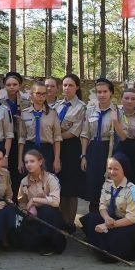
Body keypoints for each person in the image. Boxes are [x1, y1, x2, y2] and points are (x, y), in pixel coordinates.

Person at [9, 149, 66, 256]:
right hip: (32, 217)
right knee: (21, 241)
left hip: (50, 218)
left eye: (32, 161)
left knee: (46, 210)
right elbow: (21, 203)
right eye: (26, 162)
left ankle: (52, 245)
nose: (29, 165)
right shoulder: (24, 182)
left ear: (40, 162)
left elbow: (55, 202)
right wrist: (25, 211)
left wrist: (35, 200)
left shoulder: (51, 179)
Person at [54, 73, 86, 230]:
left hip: (71, 148)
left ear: (77, 87)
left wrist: (54, 136)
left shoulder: (81, 107)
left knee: (71, 187)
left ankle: (70, 222)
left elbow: (74, 132)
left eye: (70, 85)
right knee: (58, 185)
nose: (66, 88)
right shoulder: (56, 106)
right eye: (65, 85)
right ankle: (60, 220)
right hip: (56, 148)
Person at [80, 78, 115, 213]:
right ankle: (92, 223)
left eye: (105, 91)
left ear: (111, 92)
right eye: (98, 92)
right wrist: (83, 155)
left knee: (108, 187)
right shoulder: (90, 111)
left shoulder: (117, 111)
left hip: (109, 150)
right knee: (93, 189)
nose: (101, 95)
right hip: (93, 150)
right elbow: (85, 134)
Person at [18, 81, 62, 175]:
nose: (41, 96)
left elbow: (57, 138)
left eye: (44, 94)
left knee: (46, 180)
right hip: (30, 149)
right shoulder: (25, 113)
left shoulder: (52, 113)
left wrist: (57, 159)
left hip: (46, 150)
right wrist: (20, 160)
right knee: (30, 180)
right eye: (38, 93)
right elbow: (22, 138)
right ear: (31, 95)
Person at [111, 88, 135, 187]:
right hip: (119, 149)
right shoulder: (115, 112)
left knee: (133, 183)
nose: (129, 101)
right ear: (121, 99)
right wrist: (114, 119)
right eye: (126, 98)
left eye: (133, 99)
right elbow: (121, 138)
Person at [2, 71, 30, 192]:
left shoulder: (27, 102)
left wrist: (21, 121)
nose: (12, 87)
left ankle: (20, 201)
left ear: (20, 85)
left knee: (20, 171)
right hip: (5, 140)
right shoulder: (0, 103)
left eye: (15, 84)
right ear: (4, 86)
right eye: (9, 85)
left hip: (21, 139)